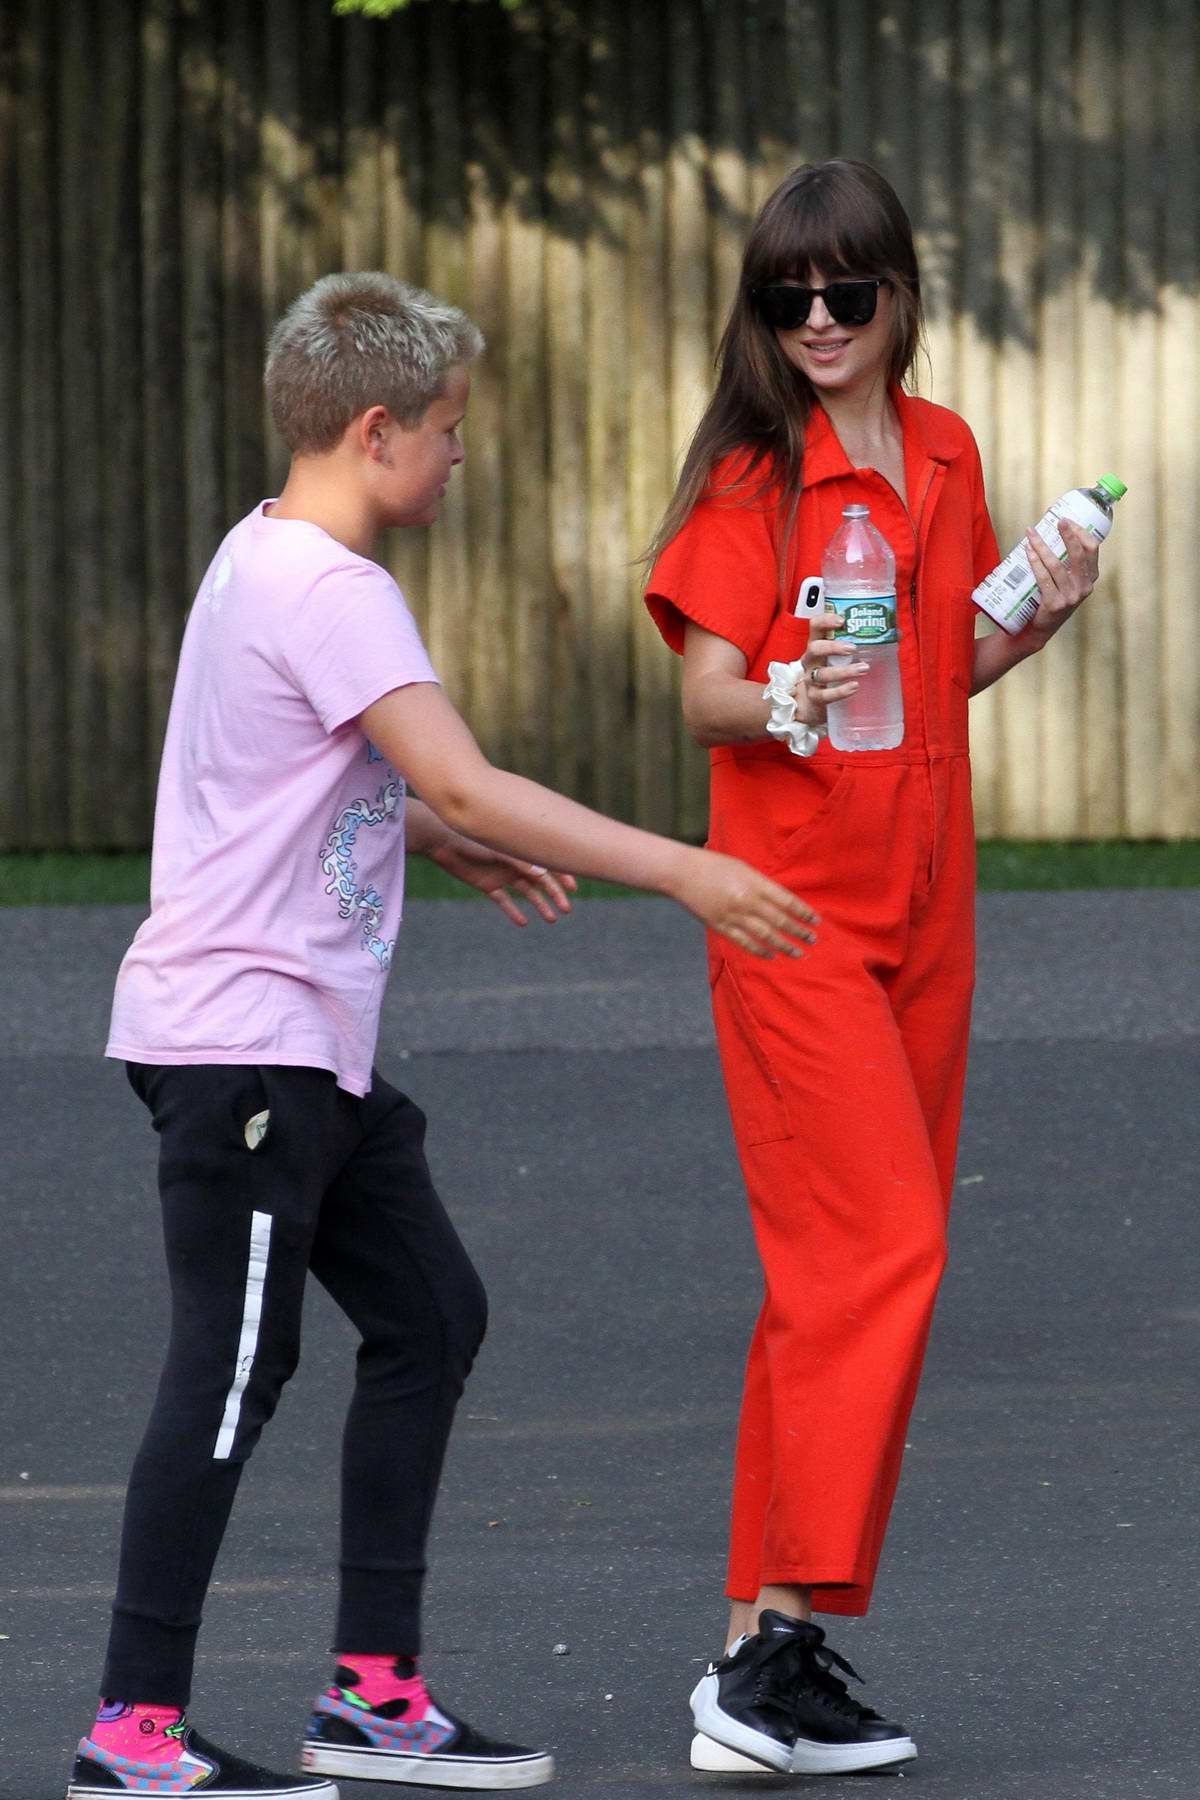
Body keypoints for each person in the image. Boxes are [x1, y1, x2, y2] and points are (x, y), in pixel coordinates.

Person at [66, 272, 819, 1800]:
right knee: (232, 1368)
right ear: (374, 428)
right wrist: (685, 868)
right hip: (243, 1047)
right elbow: (470, 775)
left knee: (431, 1314)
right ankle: (132, 1731)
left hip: (304, 1053)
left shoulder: (255, 553)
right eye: (452, 432)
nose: (463, 456)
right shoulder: (331, 589)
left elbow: (294, 779)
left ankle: (372, 1692)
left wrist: (419, 836)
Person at [643, 160, 1100, 1778]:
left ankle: (758, 1661)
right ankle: (773, 1643)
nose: (820, 320)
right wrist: (782, 683)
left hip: (927, 917)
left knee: (825, 1286)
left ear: (902, 294)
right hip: (792, 919)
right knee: (883, 1253)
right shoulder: (755, 476)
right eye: (790, 296)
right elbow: (706, 694)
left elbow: (937, 668)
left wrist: (1035, 615)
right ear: (765, 314)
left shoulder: (951, 451)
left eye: (848, 292)